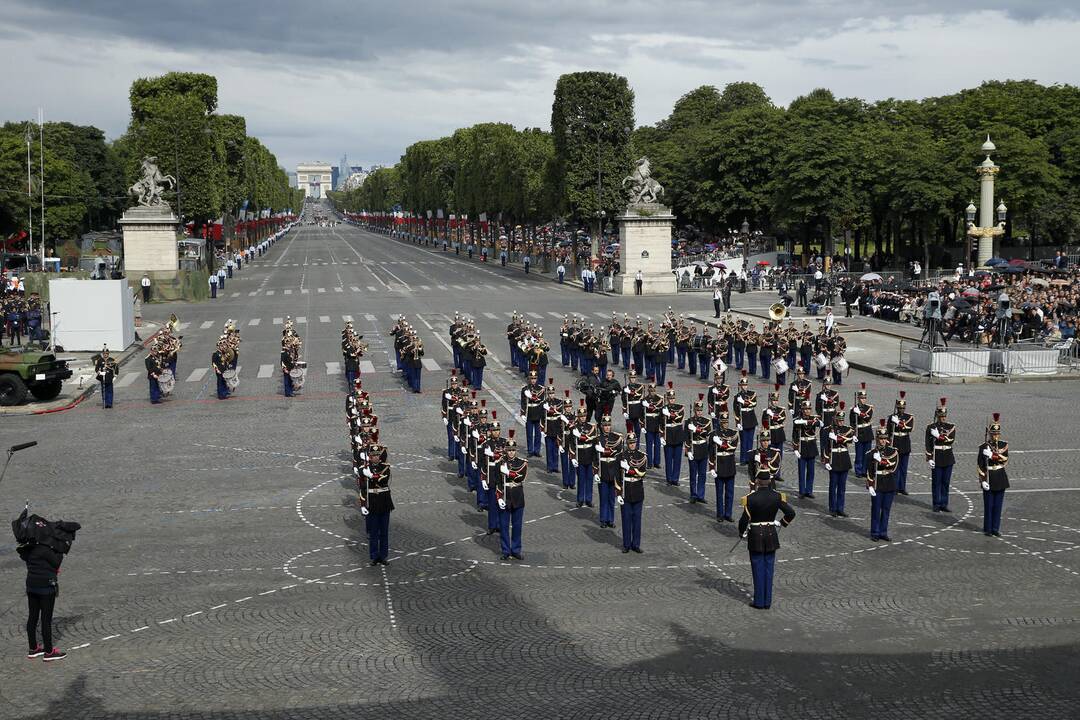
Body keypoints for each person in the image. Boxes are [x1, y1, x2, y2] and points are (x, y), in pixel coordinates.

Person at [16, 511, 81, 661]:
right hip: (46, 587)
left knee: (33, 616)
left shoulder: (28, 548)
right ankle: (49, 652)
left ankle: (33, 648)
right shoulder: (47, 550)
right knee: (46, 619)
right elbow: (56, 562)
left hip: (31, 585)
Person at [738, 467, 796, 610]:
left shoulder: (750, 498)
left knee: (758, 568)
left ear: (757, 482)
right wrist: (781, 523)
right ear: (769, 481)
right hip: (771, 533)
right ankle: (767, 601)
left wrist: (742, 533)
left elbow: (744, 520)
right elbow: (791, 513)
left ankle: (759, 601)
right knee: (769, 569)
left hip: (756, 534)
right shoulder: (777, 496)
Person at [359, 440, 395, 566]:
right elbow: (362, 487)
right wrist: (363, 504)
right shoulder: (364, 468)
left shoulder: (385, 467)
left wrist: (370, 475)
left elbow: (382, 480)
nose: (375, 457)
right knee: (374, 531)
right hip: (372, 501)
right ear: (369, 456)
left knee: (384, 531)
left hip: (384, 500)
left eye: (377, 455)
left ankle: (383, 555)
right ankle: (374, 555)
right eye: (373, 455)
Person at [497, 430, 528, 560]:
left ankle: (515, 549)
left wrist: (508, 473)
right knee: (504, 526)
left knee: (517, 526)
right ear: (505, 451)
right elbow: (497, 481)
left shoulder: (522, 463)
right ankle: (505, 550)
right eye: (509, 450)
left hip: (517, 496)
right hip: (505, 495)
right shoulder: (500, 462)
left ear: (516, 451)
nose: (511, 452)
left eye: (513, 450)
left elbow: (521, 477)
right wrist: (498, 497)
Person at [866, 420, 899, 541]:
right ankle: (875, 532)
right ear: (877, 438)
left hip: (889, 483)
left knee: (886, 509)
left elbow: (893, 466)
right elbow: (868, 471)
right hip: (877, 483)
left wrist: (881, 461)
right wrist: (869, 485)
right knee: (876, 509)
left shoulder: (893, 451)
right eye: (881, 438)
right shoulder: (870, 454)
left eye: (885, 438)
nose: (883, 440)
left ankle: (883, 531)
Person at [978, 413, 1010, 537]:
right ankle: (988, 528)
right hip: (989, 477)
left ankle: (995, 528)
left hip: (1000, 476)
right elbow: (980, 465)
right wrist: (982, 480)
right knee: (989, 505)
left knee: (998, 506)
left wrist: (992, 455)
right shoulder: (983, 447)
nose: (995, 436)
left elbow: (1005, 459)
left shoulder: (1003, 445)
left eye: (997, 434)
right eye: (993, 434)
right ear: (990, 434)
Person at [616, 426, 647, 552]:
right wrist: (618, 493)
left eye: (634, 443)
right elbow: (617, 476)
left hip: (637, 490)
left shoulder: (642, 456)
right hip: (626, 490)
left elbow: (642, 473)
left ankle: (636, 544)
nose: (632, 445)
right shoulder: (621, 456)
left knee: (637, 520)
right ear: (627, 444)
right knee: (626, 519)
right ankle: (626, 544)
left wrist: (628, 469)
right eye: (630, 443)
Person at [925, 397, 956, 512]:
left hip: (947, 456)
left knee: (946, 482)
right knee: (936, 482)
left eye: (944, 416)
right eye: (941, 416)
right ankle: (936, 503)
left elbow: (950, 440)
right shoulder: (931, 427)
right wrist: (929, 457)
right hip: (936, 456)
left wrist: (938, 436)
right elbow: (928, 443)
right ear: (937, 416)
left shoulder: (951, 427)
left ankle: (944, 503)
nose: (943, 418)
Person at [823, 402, 854, 517]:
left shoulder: (847, 429)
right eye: (839, 420)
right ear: (835, 419)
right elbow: (825, 446)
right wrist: (826, 461)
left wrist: (837, 438)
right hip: (834, 459)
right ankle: (832, 508)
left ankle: (840, 508)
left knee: (842, 487)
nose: (841, 422)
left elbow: (850, 439)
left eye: (842, 420)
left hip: (844, 459)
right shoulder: (828, 430)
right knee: (833, 485)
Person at [709, 410, 739, 521]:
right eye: (723, 421)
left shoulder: (733, 433)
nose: (725, 424)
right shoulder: (714, 434)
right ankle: (720, 514)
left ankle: (728, 514)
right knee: (719, 492)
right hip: (719, 465)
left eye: (726, 422)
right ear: (719, 422)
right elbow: (711, 452)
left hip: (730, 464)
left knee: (730, 492)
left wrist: (721, 443)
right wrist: (711, 467)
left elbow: (733, 447)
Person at [596, 415, 624, 528]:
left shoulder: (616, 438)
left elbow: (619, 453)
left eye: (608, 425)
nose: (607, 427)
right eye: (605, 426)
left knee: (612, 498)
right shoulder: (598, 439)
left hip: (613, 470)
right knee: (603, 497)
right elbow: (595, 457)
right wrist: (595, 472)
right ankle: (603, 519)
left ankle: (610, 519)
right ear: (602, 426)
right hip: (602, 470)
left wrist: (604, 450)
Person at [886, 391, 915, 495]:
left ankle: (902, 487)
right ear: (897, 407)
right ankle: (895, 487)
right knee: (895, 468)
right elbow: (888, 432)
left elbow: (909, 428)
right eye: (899, 408)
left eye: (903, 408)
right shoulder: (891, 417)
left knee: (904, 468)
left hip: (905, 443)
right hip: (895, 443)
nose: (901, 410)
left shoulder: (909, 417)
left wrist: (898, 422)